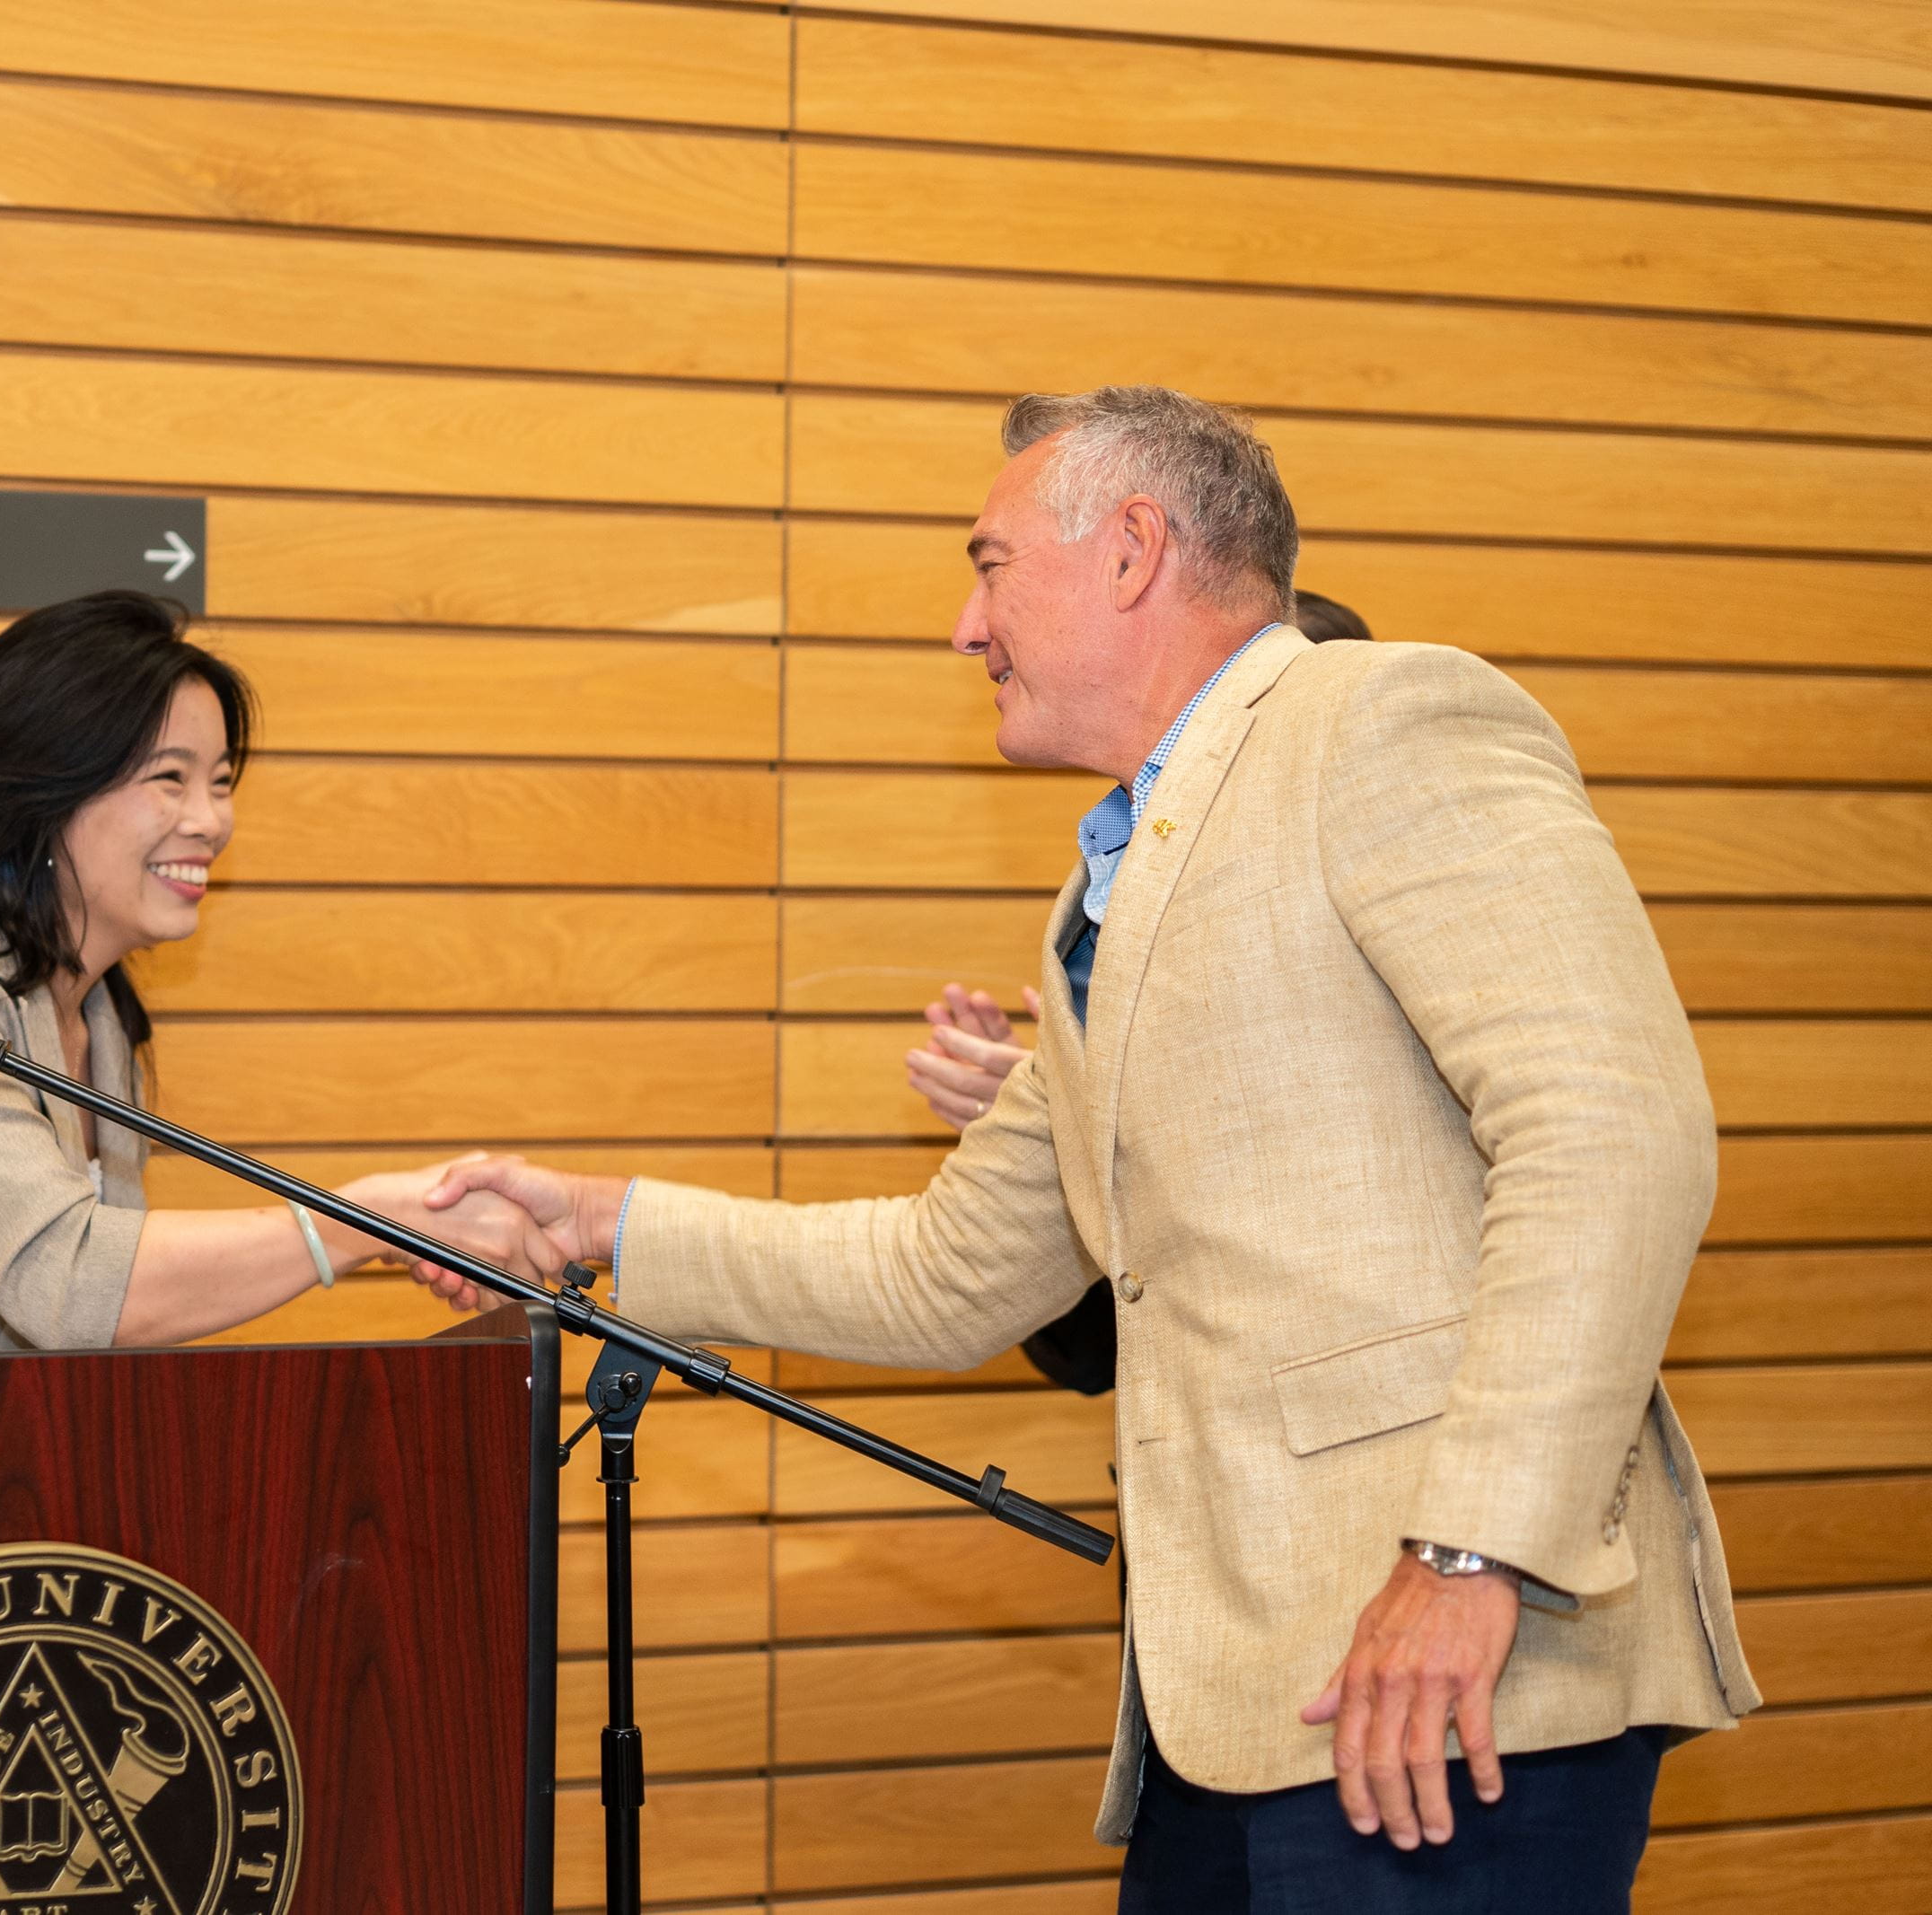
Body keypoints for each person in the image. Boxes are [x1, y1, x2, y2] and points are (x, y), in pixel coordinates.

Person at [419, 388, 1754, 1909]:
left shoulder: (1379, 720)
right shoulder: (1103, 892)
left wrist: (1468, 1557)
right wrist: (590, 1219)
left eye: (989, 564)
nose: (964, 626)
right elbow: (949, 1275)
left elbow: (1614, 1131)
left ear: (1132, 552)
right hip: (1235, 1711)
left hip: (1455, 1679)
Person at [0, 591, 558, 1362]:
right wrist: (371, 1222)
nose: (211, 820)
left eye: (221, 780)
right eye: (170, 778)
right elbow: (69, 1281)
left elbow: (95, 1332)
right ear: (45, 792)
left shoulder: (99, 1020)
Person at [918, 587, 1375, 1395]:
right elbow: (1092, 1352)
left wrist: (1088, 1119)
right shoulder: (1113, 922)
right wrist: (1060, 1123)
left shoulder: (1385, 961)